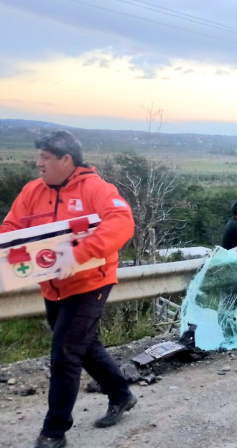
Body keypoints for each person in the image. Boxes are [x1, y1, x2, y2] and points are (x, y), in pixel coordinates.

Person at [0, 130, 136, 448]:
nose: (39, 164)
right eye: (39, 157)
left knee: (65, 353)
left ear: (66, 160)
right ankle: (122, 394)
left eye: (45, 158)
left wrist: (78, 254)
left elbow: (121, 221)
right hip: (53, 286)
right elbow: (11, 227)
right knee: (85, 347)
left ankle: (54, 432)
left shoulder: (96, 189)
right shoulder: (33, 191)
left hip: (91, 282)